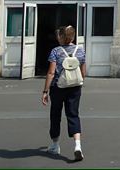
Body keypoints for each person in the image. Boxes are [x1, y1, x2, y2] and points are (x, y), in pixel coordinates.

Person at [41, 25, 86, 161]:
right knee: (73, 114)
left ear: (61, 37)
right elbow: (83, 72)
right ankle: (77, 145)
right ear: (72, 37)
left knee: (55, 115)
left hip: (58, 87)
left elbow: (51, 72)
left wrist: (45, 91)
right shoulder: (80, 51)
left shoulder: (55, 51)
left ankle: (55, 145)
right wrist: (79, 82)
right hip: (75, 87)